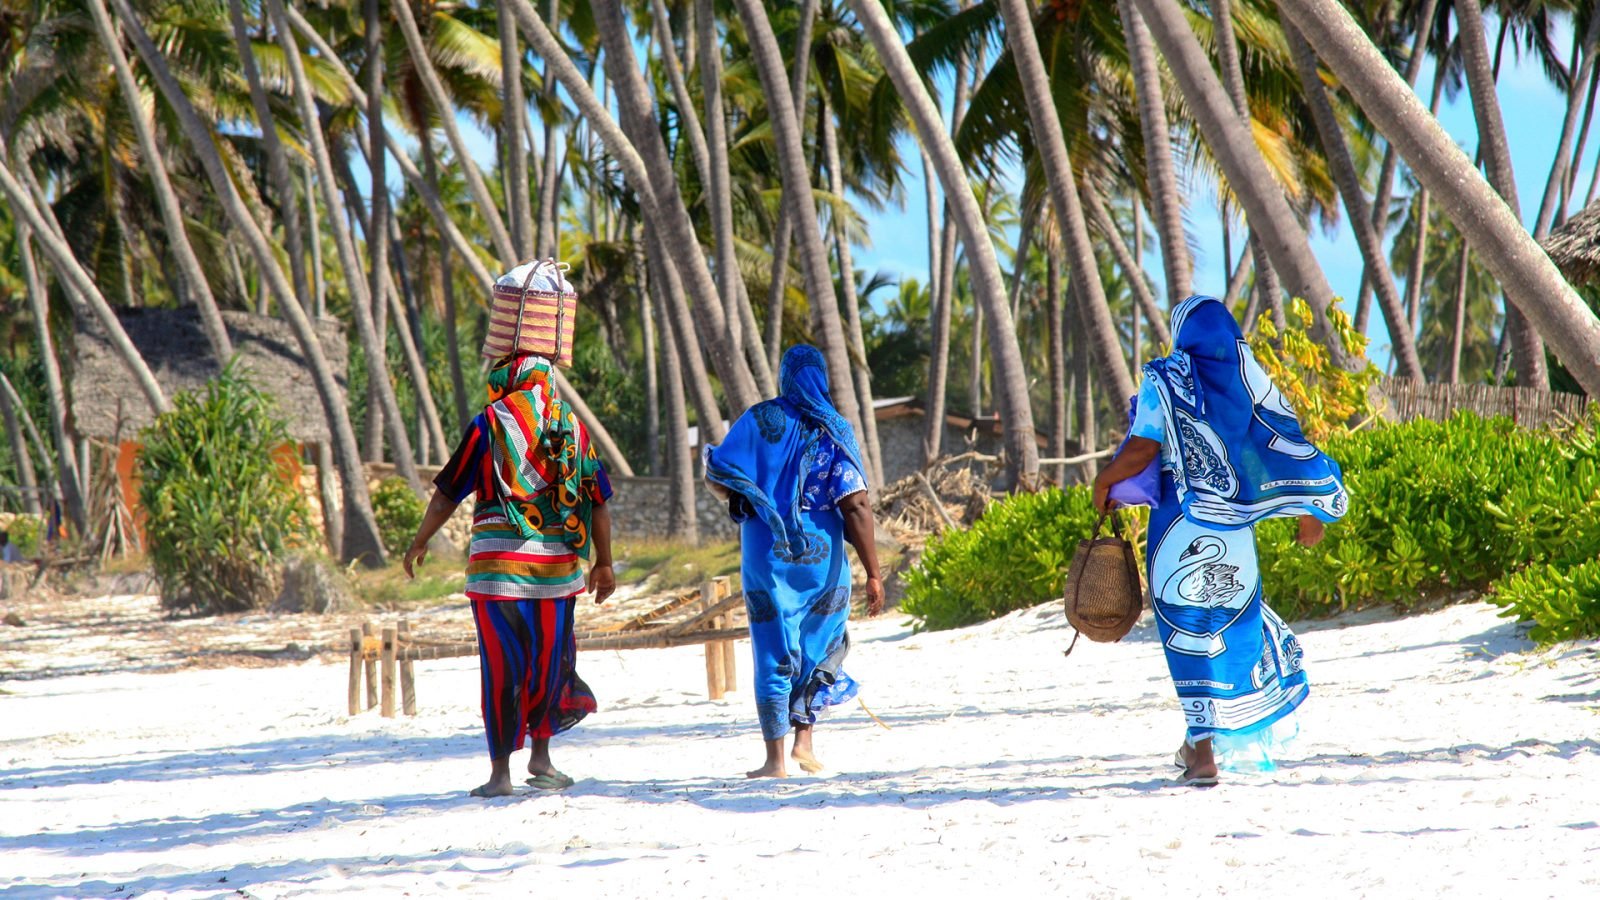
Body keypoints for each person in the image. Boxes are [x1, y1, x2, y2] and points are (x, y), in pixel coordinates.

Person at [1093, 295, 1346, 787]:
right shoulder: (1250, 382)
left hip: (1178, 524)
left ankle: (1203, 754)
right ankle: (1199, 744)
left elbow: (1142, 447)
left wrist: (1104, 481)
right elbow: (1282, 443)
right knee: (1230, 624)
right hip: (1232, 530)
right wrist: (1308, 509)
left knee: (1186, 629)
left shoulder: (1164, 378)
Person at [405, 350, 616, 798]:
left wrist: (420, 540)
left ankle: (500, 776)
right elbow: (597, 500)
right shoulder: (572, 428)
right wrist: (604, 562)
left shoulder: (488, 425)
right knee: (549, 662)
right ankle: (541, 758)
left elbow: (447, 494)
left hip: (497, 572)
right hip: (557, 573)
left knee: (501, 667)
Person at [704, 345, 884, 778]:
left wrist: (756, 495)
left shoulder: (758, 419)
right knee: (819, 642)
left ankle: (775, 760)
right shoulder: (834, 428)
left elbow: (718, 475)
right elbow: (856, 504)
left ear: (784, 377)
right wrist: (874, 573)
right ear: (822, 376)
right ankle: (805, 740)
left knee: (772, 646)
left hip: (767, 552)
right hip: (823, 557)